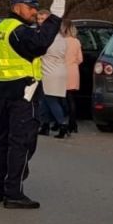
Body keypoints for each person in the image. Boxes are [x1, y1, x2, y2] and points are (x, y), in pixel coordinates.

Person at [0, 0, 63, 209]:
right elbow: (39, 44)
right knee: (22, 143)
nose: (33, 12)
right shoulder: (18, 31)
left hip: (3, 91)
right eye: (31, 8)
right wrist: (55, 19)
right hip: (23, 92)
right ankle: (14, 193)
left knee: (3, 142)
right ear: (17, 7)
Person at [36, 10, 69, 138]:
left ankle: (62, 124)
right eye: (38, 19)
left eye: (43, 19)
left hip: (49, 71)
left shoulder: (48, 36)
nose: (40, 22)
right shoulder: (60, 36)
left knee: (51, 100)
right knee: (44, 100)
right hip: (59, 69)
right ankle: (45, 125)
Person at [62, 19, 83, 134]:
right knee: (71, 99)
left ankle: (61, 122)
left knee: (61, 99)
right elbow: (80, 59)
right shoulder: (76, 42)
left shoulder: (61, 42)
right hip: (73, 71)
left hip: (62, 71)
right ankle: (73, 123)